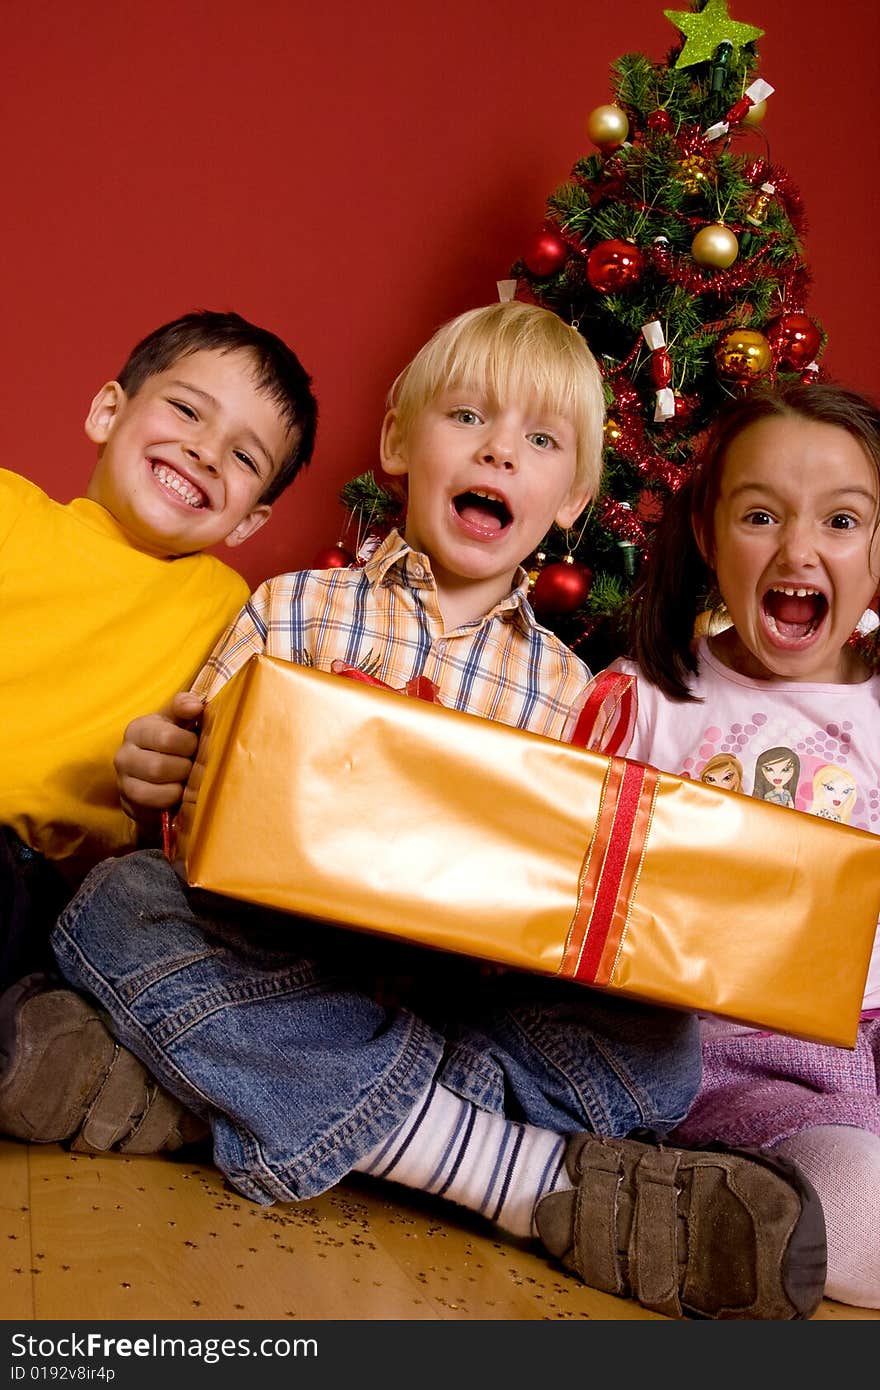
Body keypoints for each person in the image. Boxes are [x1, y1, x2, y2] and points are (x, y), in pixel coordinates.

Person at [12, 303, 825, 1320]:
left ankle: (209, 1093)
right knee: (115, 908)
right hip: (280, 955)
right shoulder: (290, 608)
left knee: (666, 1049)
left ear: (570, 497)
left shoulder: (579, 697)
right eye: (468, 418)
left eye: (539, 441)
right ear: (400, 442)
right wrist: (159, 780)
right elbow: (187, 819)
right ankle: (503, 1171)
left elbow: (570, 910)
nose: (499, 449)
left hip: (454, 999)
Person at [579, 380, 880, 1310]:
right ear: (709, 536)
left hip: (866, 1040)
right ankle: (655, 1190)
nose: (799, 550)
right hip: (719, 1050)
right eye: (761, 516)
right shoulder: (649, 700)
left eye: (841, 520)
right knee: (863, 1223)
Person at [0, 305, 318, 1119]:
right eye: (185, 409)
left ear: (249, 521)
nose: (204, 450)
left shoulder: (232, 612)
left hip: (30, 877)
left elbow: (213, 800)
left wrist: (158, 799)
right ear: (109, 411)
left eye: (244, 456)